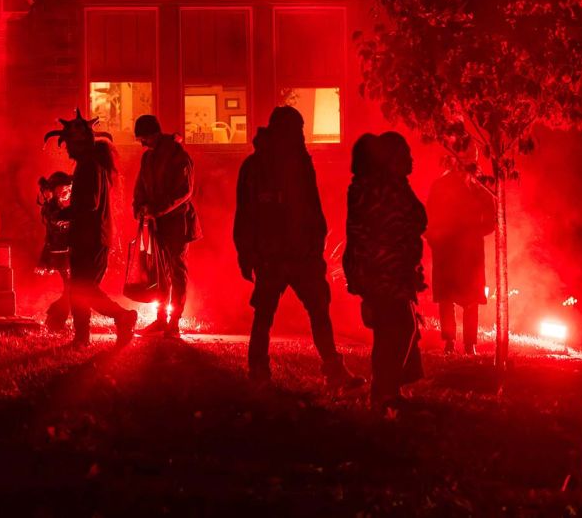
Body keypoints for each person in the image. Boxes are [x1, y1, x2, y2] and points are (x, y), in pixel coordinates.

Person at [233, 105, 362, 387]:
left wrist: (316, 243)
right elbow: (246, 213)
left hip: (295, 253)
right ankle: (261, 369)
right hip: (279, 253)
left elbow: (310, 207)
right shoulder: (261, 167)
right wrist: (247, 252)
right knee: (274, 312)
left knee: (307, 311)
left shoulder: (290, 162)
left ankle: (326, 368)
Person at [345, 131, 428, 414]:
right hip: (385, 270)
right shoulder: (385, 189)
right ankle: (384, 392)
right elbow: (408, 221)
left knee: (392, 330)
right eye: (406, 154)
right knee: (399, 327)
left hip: (382, 270)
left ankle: (384, 392)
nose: (411, 159)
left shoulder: (374, 186)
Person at [45, 110, 138, 347]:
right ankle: (82, 337)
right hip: (89, 237)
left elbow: (89, 204)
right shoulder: (90, 165)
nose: (67, 150)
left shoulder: (89, 166)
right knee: (81, 289)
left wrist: (63, 213)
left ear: (79, 143)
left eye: (69, 145)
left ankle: (122, 317)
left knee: (84, 290)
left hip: (91, 239)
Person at [132, 115, 201, 337]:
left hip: (176, 224)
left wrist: (156, 210)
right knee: (160, 273)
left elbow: (184, 191)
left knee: (176, 271)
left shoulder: (178, 155)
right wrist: (140, 207)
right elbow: (140, 186)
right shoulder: (149, 158)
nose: (142, 144)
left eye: (143, 138)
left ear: (153, 134)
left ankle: (174, 323)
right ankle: (161, 319)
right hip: (157, 224)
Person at [425, 161, 495, 355]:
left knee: (471, 297)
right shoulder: (441, 185)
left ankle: (469, 343)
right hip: (446, 247)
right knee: (446, 297)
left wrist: (477, 232)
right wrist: (434, 239)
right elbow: (429, 216)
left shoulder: (479, 187)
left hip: (470, 249)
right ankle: (449, 342)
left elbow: (491, 218)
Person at [37, 171, 74, 332]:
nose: (69, 192)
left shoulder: (52, 205)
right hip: (62, 253)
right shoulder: (54, 207)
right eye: (68, 189)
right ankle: (55, 319)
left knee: (70, 288)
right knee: (71, 288)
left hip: (59, 252)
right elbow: (58, 226)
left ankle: (56, 320)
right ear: (59, 189)